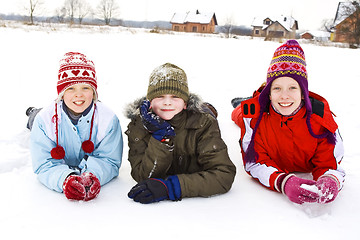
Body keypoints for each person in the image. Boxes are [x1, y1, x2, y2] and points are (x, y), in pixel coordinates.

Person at [231, 40, 345, 205]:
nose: (285, 95)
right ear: (269, 94)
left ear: (303, 93)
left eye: (293, 88)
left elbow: (330, 163)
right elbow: (254, 161)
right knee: (239, 113)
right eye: (277, 88)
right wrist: (282, 181)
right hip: (260, 108)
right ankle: (247, 100)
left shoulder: (321, 120)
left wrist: (330, 179)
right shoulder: (253, 118)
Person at [125, 63, 236, 204]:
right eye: (159, 96)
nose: (167, 103)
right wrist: (161, 138)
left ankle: (208, 108)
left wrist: (171, 187)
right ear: (150, 102)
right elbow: (143, 175)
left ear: (185, 103)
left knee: (206, 113)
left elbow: (223, 175)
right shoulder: (138, 126)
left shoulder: (203, 124)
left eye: (175, 97)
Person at [29, 52, 123, 201]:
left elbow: (109, 160)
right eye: (71, 88)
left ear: (94, 92)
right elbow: (43, 163)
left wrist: (93, 175)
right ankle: (32, 112)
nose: (78, 95)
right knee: (33, 119)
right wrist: (64, 179)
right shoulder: (44, 120)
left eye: (85, 88)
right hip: (45, 118)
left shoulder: (108, 120)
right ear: (61, 93)